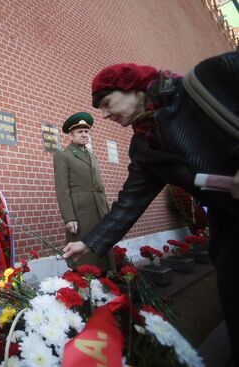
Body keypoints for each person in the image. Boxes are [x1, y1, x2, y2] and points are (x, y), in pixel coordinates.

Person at [62, 51, 239, 363]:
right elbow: (129, 203)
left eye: (106, 105)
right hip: (231, 227)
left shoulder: (206, 81)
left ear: (131, 86)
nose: (105, 116)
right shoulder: (143, 145)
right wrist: (89, 242)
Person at [53, 112, 114, 271]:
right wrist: (69, 218)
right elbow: (62, 189)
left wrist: (106, 210)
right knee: (86, 259)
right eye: (80, 132)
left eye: (86, 131)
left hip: (100, 209)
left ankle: (106, 282)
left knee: (103, 251)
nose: (84, 135)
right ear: (71, 135)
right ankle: (86, 285)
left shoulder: (92, 156)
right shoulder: (63, 155)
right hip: (81, 214)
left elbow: (99, 186)